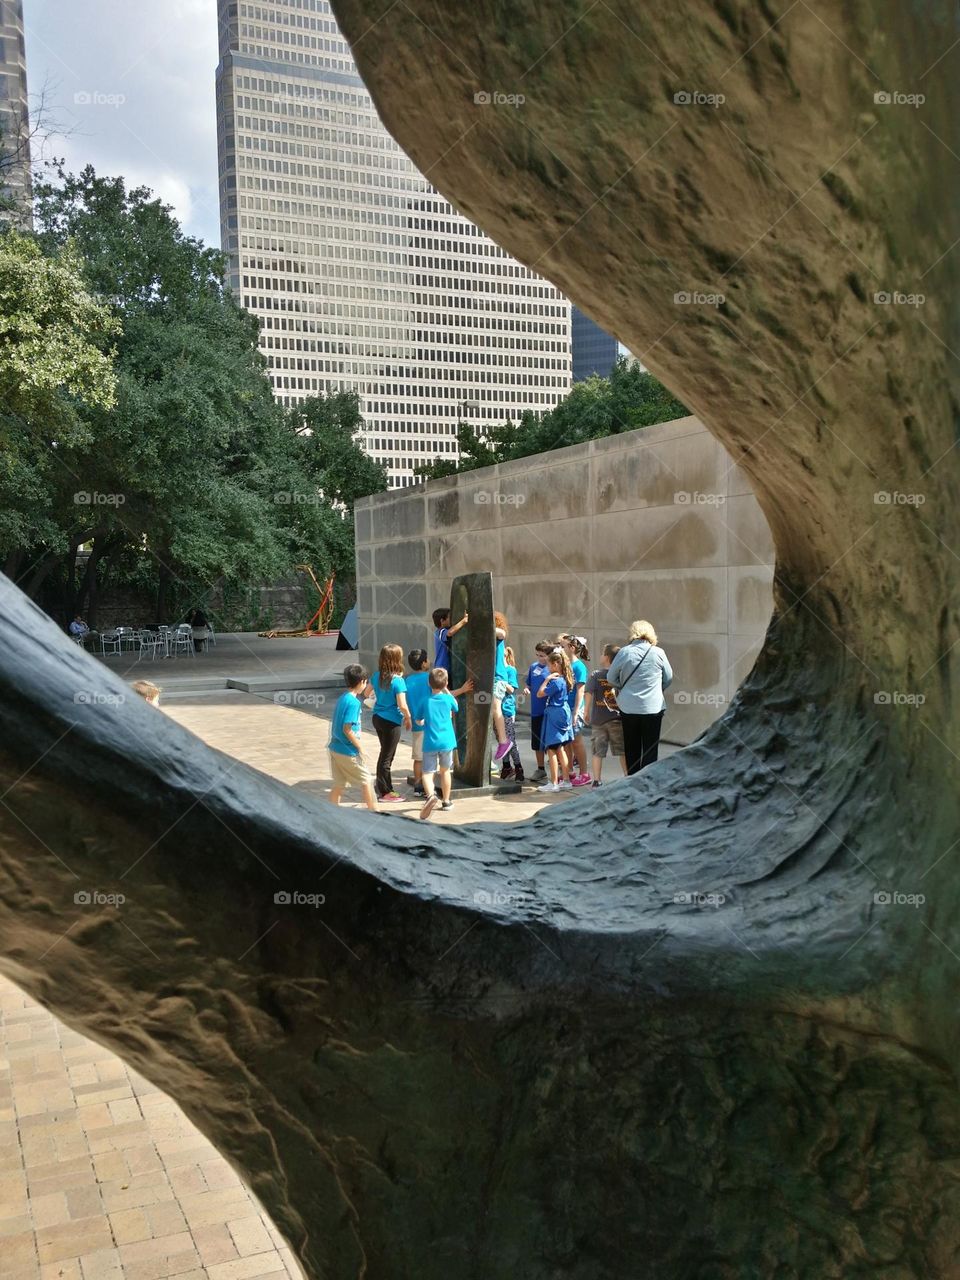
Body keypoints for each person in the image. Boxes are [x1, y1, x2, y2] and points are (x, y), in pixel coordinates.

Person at [607, 620, 673, 774]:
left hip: (629, 707)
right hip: (653, 707)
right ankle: (648, 781)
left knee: (631, 748)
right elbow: (668, 678)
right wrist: (656, 690)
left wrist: (622, 688)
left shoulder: (624, 652)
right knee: (651, 748)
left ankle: (632, 781)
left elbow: (611, 677)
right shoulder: (659, 652)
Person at [327, 665, 379, 812]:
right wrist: (360, 747)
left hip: (335, 748)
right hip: (347, 751)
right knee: (367, 780)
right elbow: (347, 729)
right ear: (362, 682)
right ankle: (374, 813)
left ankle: (330, 811)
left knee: (339, 783)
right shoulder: (354, 703)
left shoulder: (343, 698)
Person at [369, 643, 412, 801]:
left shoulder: (376, 675)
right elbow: (402, 705)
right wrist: (408, 718)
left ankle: (380, 785)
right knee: (387, 757)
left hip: (377, 718)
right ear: (397, 659)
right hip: (391, 721)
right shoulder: (398, 681)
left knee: (384, 755)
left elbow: (367, 692)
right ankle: (386, 792)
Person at [419, 667, 461, 820]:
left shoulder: (425, 701)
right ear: (446, 683)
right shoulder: (448, 699)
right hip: (447, 742)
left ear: (429, 684)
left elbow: (418, 719)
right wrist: (447, 691)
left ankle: (430, 796)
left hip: (430, 741)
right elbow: (456, 706)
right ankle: (447, 801)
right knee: (445, 771)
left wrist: (423, 721)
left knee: (427, 773)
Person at [584, 644, 627, 786]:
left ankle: (597, 780)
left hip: (599, 721)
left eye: (602, 653)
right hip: (617, 719)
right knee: (622, 751)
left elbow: (588, 693)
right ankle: (628, 777)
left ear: (607, 657)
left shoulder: (596, 675)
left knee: (597, 751)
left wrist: (586, 711)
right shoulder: (621, 675)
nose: (601, 655)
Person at [536, 649, 575, 793]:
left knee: (551, 748)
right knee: (560, 748)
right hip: (563, 712)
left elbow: (540, 693)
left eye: (549, 665)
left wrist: (546, 679)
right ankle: (565, 780)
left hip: (555, 713)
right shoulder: (565, 679)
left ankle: (554, 783)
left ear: (556, 664)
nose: (548, 668)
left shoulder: (556, 681)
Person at [561, 635, 592, 785]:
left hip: (575, 708)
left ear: (571, 648)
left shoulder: (579, 667)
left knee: (576, 741)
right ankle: (569, 772)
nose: (561, 649)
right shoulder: (564, 665)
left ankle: (584, 773)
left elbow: (581, 691)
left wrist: (575, 712)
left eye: (563, 646)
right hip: (565, 707)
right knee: (566, 742)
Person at [525, 641, 553, 780]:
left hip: (549, 712)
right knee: (537, 743)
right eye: (537, 655)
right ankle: (540, 769)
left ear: (549, 655)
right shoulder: (533, 667)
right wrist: (527, 688)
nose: (539, 658)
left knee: (552, 743)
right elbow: (528, 683)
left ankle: (560, 771)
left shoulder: (553, 669)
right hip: (536, 711)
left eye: (542, 655)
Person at [405, 649, 431, 797]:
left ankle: (418, 787)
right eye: (427, 660)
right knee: (430, 759)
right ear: (423, 663)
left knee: (418, 758)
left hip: (416, 724)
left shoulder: (407, 680)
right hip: (430, 723)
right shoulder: (430, 678)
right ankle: (429, 789)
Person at [499, 645, 524, 782]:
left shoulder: (510, 670)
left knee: (511, 740)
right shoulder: (496, 670)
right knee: (501, 741)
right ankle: (506, 766)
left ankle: (518, 767)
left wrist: (501, 682)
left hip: (507, 709)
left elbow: (512, 689)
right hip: (498, 710)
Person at [491, 611, 512, 763]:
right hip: (492, 677)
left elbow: (501, 633)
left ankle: (504, 741)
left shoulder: (498, 636)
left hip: (498, 678)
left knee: (495, 707)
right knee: (493, 709)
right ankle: (502, 741)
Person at [433, 607, 469, 674]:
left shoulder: (441, 631)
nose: (451, 619)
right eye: (449, 617)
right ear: (442, 621)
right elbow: (450, 632)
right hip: (441, 668)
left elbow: (453, 629)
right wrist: (464, 621)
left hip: (445, 668)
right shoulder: (440, 632)